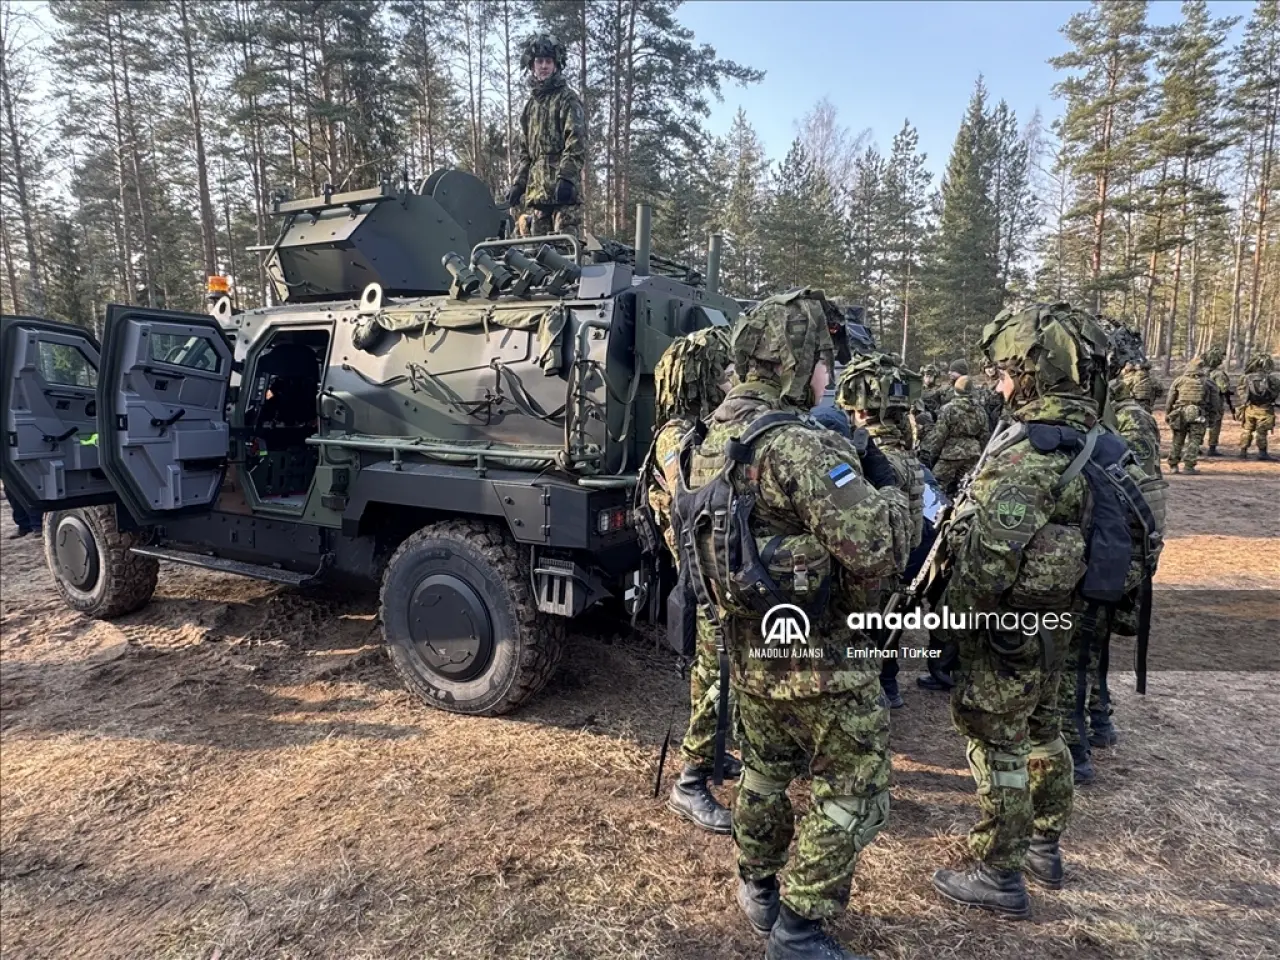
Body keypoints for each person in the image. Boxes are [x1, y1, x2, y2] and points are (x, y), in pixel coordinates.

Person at [671, 288, 911, 959]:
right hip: (822, 664)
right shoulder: (798, 447)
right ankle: (800, 926)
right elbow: (876, 550)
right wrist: (897, 488)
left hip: (748, 657)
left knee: (765, 777)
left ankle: (760, 887)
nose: (829, 377)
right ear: (796, 363)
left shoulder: (705, 442)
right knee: (856, 789)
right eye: (823, 362)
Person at [931, 302, 1115, 920]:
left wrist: (947, 621)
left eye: (1006, 375)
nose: (1001, 387)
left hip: (1007, 626)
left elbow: (986, 562)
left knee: (996, 739)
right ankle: (1045, 846)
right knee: (1045, 728)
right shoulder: (1097, 441)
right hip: (1059, 621)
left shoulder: (1026, 454)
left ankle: (999, 871)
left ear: (1031, 374)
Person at [640, 327, 738, 833]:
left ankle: (716, 752)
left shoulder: (699, 429)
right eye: (723, 371)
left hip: (711, 576)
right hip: (701, 579)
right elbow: (699, 497)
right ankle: (691, 782)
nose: (731, 379)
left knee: (713, 674)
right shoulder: (678, 435)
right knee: (720, 673)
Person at [835, 353, 926, 712]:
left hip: (873, 567)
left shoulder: (866, 456)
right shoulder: (910, 456)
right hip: (904, 561)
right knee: (890, 626)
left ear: (858, 412)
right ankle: (888, 683)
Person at [504, 34, 586, 240]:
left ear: (556, 65)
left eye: (548, 61)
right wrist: (519, 184)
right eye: (539, 61)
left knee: (565, 255)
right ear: (532, 66)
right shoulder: (530, 108)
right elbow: (526, 153)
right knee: (539, 260)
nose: (543, 66)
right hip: (539, 196)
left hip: (563, 195)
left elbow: (576, 140)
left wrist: (567, 178)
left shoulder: (567, 99)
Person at [918, 375, 990, 497]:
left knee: (934, 486)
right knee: (965, 488)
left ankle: (935, 513)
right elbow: (984, 435)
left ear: (955, 391)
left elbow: (939, 435)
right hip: (973, 454)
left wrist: (930, 454)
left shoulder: (948, 409)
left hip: (950, 455)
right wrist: (980, 454)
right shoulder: (980, 410)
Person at [1166, 358, 1212, 474]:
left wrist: (1168, 413)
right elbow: (1214, 401)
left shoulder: (1179, 381)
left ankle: (1173, 465)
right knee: (1195, 439)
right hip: (1198, 412)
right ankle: (1189, 466)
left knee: (1177, 438)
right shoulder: (1206, 382)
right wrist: (1213, 416)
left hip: (1180, 412)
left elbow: (1170, 399)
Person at [1237, 352, 1280, 460]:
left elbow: (1241, 391)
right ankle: (1262, 453)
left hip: (1249, 408)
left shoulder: (1245, 378)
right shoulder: (1271, 378)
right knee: (1262, 432)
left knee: (1247, 430)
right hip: (1265, 409)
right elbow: (1275, 393)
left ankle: (1243, 451)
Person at [1203, 346, 1234, 456]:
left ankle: (1195, 447)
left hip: (1201, 402)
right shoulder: (1219, 374)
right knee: (1215, 424)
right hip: (1215, 403)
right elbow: (1223, 389)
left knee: (1199, 424)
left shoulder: (1200, 372)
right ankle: (1212, 448)